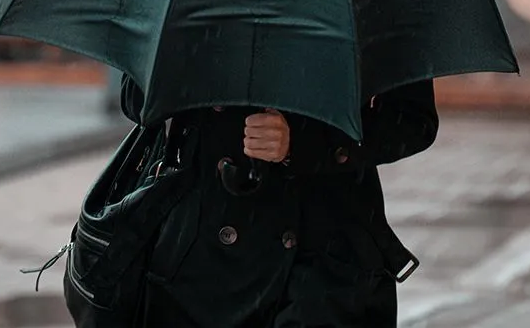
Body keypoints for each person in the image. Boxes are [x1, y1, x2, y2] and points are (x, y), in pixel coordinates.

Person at [119, 74, 439, 327]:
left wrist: (304, 141)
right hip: (199, 259)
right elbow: (136, 99)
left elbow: (413, 121)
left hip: (324, 257)